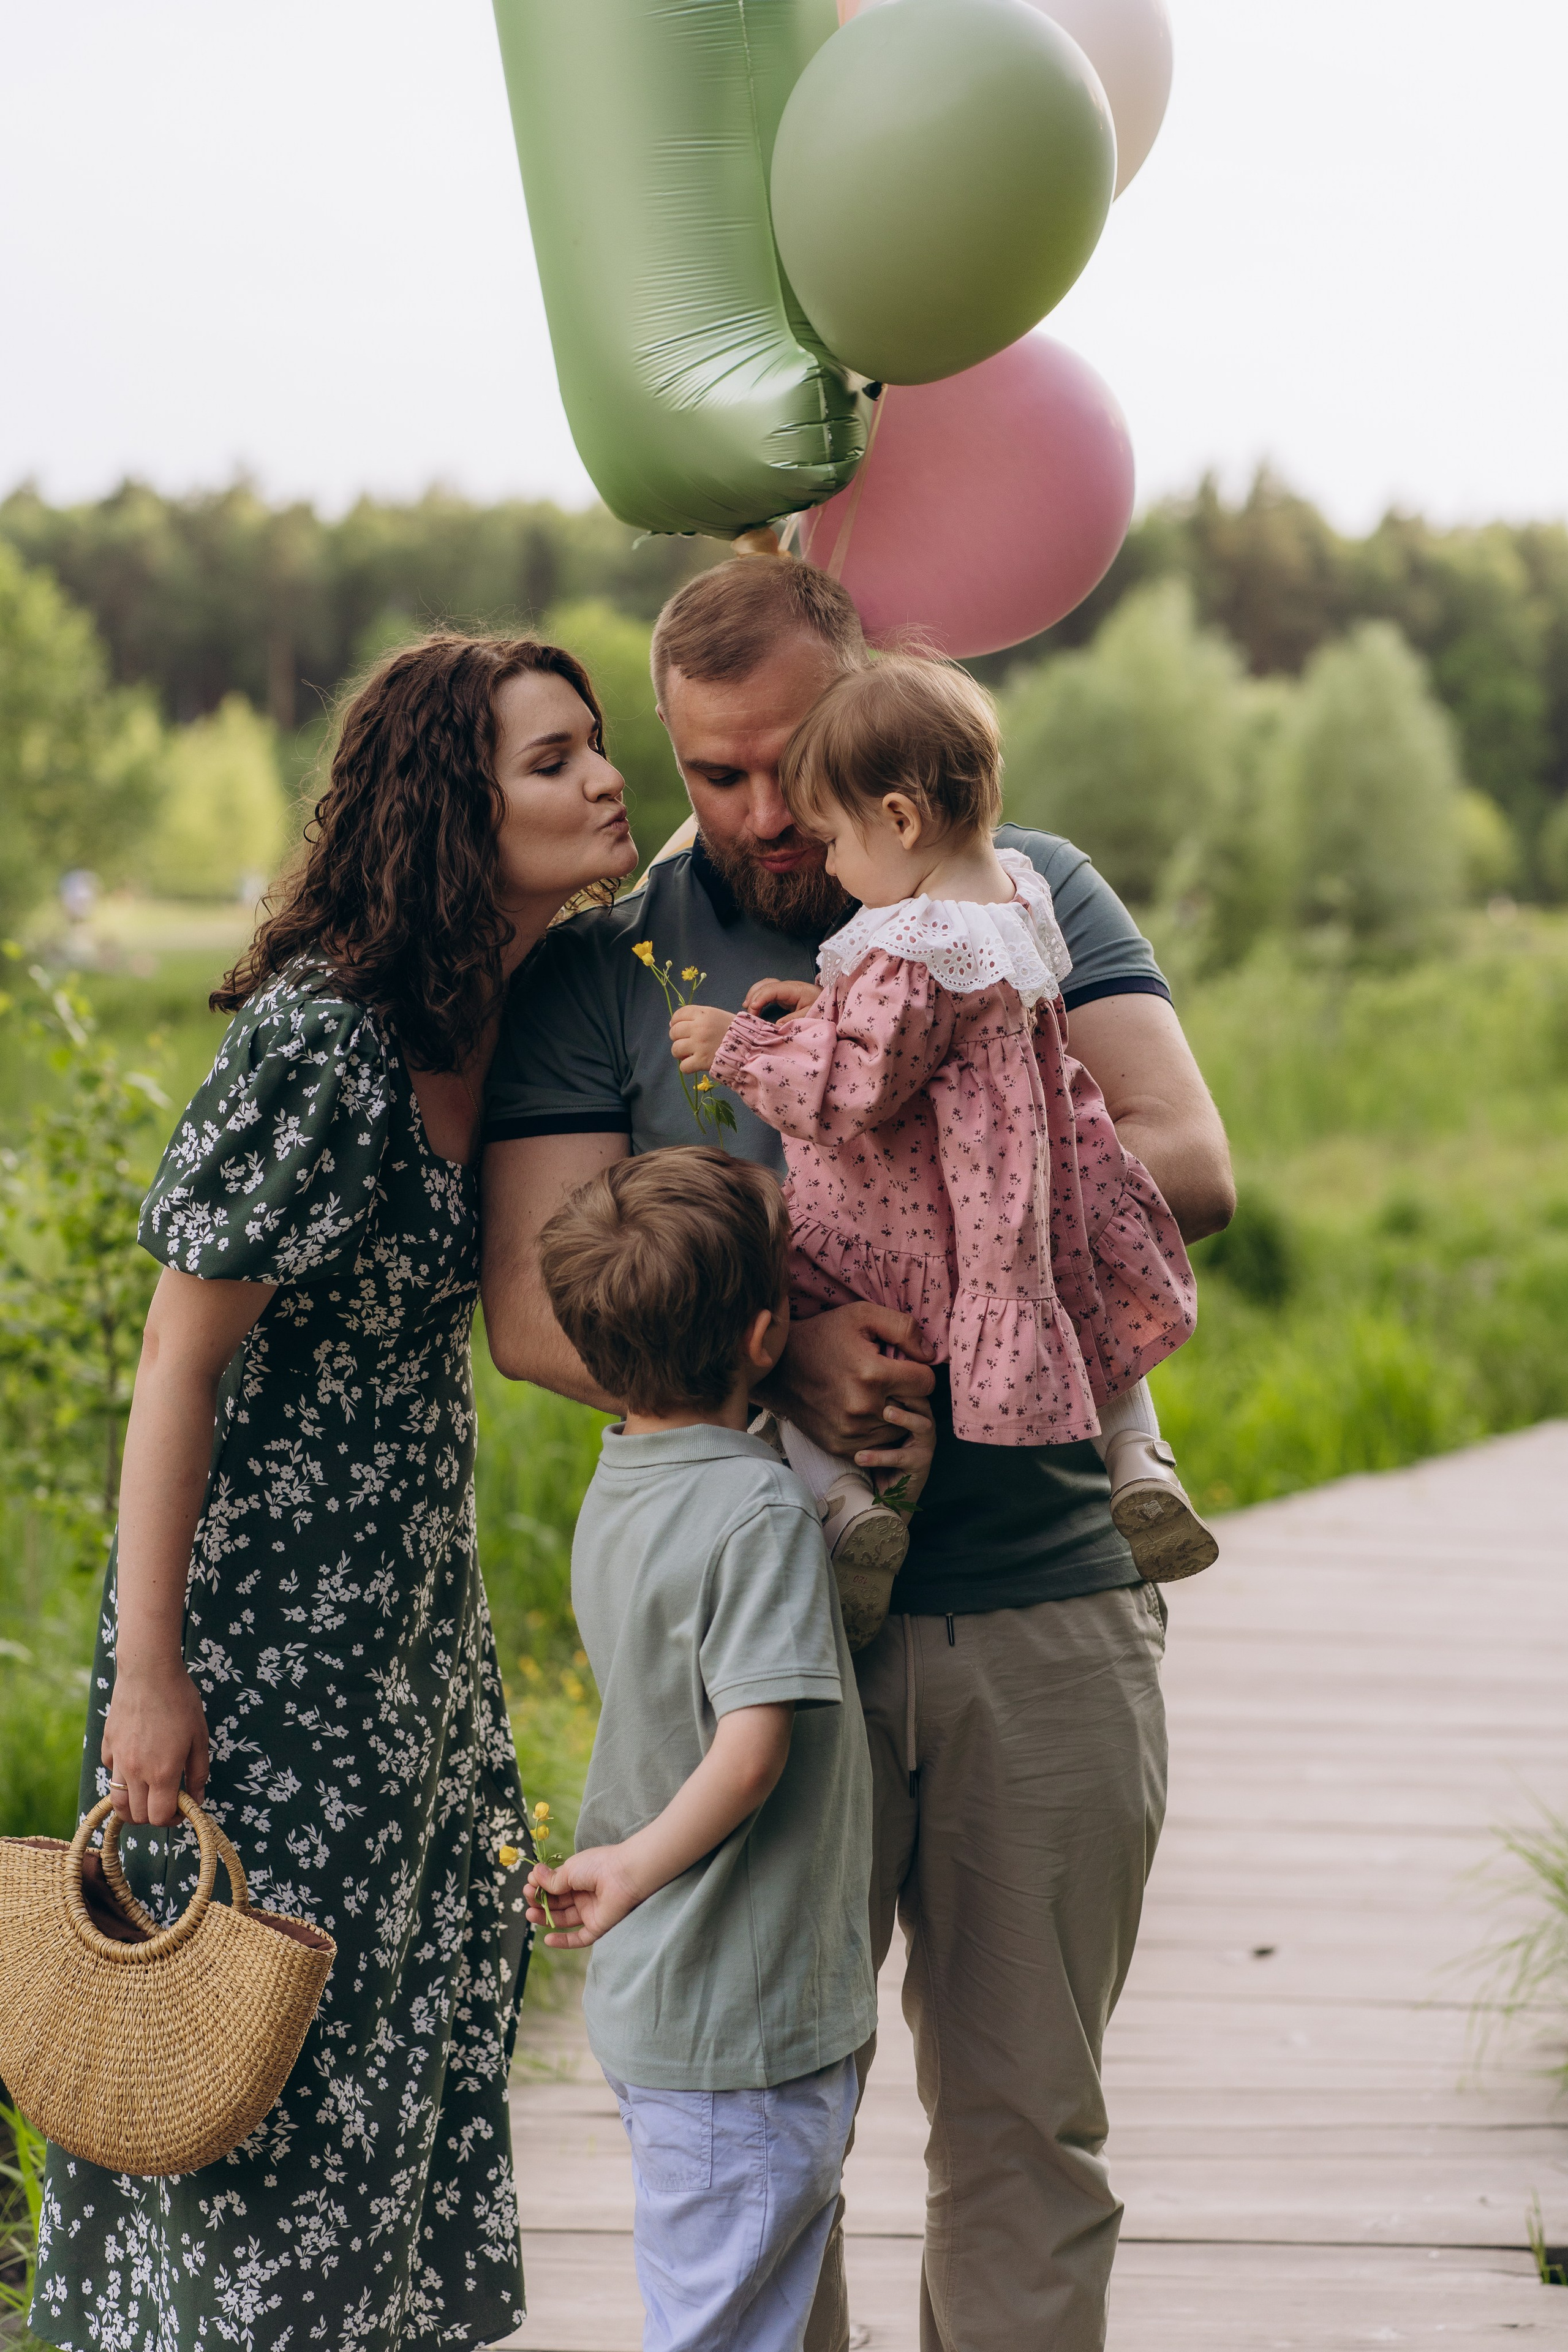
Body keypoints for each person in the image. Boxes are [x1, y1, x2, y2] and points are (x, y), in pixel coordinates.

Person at [480, 556, 1235, 2352]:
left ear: (868, 708)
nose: (759, 817)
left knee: (1026, 2133)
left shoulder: (1013, 892)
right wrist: (777, 1327)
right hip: (756, 1649)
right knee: (762, 2135)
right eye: (711, 773)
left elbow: (1187, 1159)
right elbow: (527, 1304)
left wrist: (953, 1231)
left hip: (1039, 1596)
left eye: (787, 764)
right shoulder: (607, 963)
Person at [31, 634, 641, 2352]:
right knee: (251, 2069)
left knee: (410, 2031)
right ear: (455, 806)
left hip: (411, 1645)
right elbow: (180, 1370)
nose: (605, 779)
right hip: (257, 1654)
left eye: (599, 745)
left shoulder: (510, 1013)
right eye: (552, 760)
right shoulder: (326, 1048)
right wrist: (151, 1673)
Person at [669, 650, 1215, 1648]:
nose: (826, 861)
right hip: (1040, 1184)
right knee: (1085, 1294)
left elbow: (857, 1085)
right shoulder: (1017, 894)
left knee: (802, 1284)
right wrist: (823, 1008)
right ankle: (1139, 1457)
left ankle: (853, 1509)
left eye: (833, 836)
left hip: (930, 1211)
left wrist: (741, 1047)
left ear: (902, 820)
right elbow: (931, 1037)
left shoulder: (907, 942)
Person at [524, 1147, 932, 2352]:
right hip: (738, 2016)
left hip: (678, 2006)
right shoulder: (755, 1513)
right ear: (767, 1339)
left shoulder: (625, 1486)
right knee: (713, 2328)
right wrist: (633, 1865)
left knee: (737, 2312)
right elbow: (751, 1750)